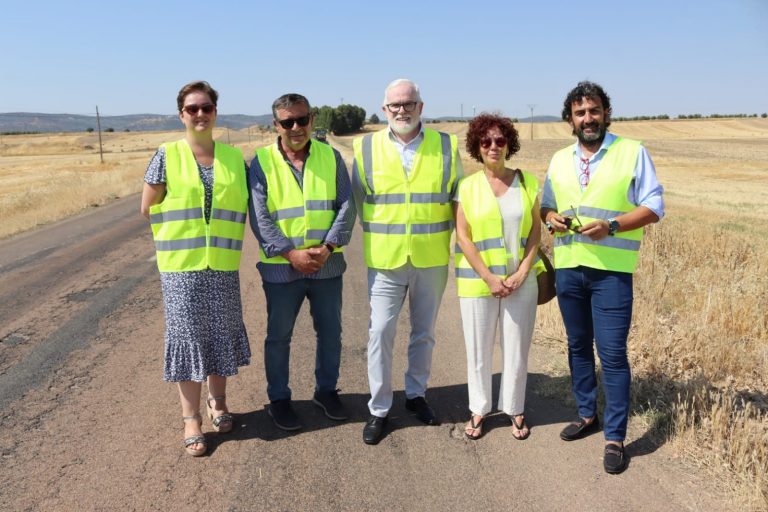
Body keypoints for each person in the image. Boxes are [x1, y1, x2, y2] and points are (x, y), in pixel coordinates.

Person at [541, 81, 665, 474]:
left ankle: (614, 436)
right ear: (570, 120)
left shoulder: (632, 151)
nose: (587, 118)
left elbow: (655, 205)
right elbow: (546, 205)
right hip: (569, 268)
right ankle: (586, 414)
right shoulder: (560, 159)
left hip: (611, 274)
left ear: (605, 113)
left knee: (611, 355)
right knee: (577, 346)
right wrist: (550, 219)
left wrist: (611, 226)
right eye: (580, 113)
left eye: (594, 111)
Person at [141, 81, 251, 457]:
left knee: (219, 335)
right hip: (181, 268)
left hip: (221, 264)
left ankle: (217, 403)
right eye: (192, 109)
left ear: (215, 112)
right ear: (181, 115)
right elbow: (148, 207)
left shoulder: (234, 158)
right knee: (187, 341)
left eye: (206, 108)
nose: (200, 114)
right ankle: (191, 420)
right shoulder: (166, 154)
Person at [352, 79, 463, 445]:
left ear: (421, 106)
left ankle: (416, 395)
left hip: (430, 257)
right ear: (384, 110)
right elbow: (358, 201)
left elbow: (457, 199)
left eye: (409, 103)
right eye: (395, 105)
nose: (402, 110)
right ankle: (380, 408)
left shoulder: (446, 146)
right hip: (385, 260)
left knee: (424, 332)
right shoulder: (365, 148)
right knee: (380, 332)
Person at [248, 93, 355, 431]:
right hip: (282, 267)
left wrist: (327, 247)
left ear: (312, 119)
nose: (296, 127)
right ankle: (279, 399)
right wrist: (290, 254)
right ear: (275, 125)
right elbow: (260, 215)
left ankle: (326, 391)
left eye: (302, 119)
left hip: (327, 264)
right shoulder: (261, 162)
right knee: (279, 336)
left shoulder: (330, 156)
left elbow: (346, 205)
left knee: (331, 334)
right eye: (287, 121)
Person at [454, 114, 543, 441]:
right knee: (478, 350)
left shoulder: (528, 182)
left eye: (500, 140)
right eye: (485, 141)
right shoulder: (467, 186)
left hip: (521, 282)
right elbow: (463, 237)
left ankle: (514, 408)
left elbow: (536, 231)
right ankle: (479, 408)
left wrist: (522, 271)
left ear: (510, 144)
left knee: (516, 348)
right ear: (477, 147)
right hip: (478, 283)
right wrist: (489, 277)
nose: (493, 146)